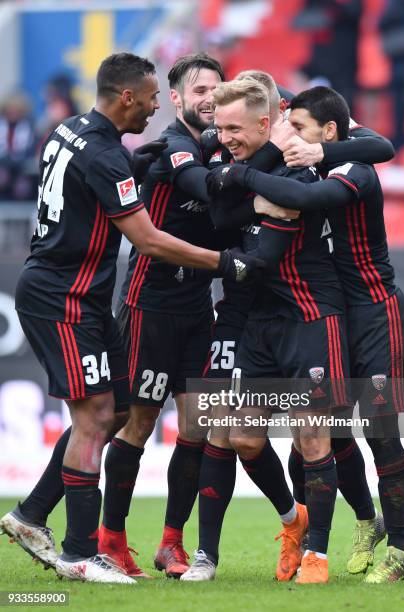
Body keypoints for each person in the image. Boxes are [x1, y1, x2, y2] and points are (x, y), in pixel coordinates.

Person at [0, 52, 263, 584]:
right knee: (100, 418)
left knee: (115, 410)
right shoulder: (105, 155)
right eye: (148, 100)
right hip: (65, 295)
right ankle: (81, 553)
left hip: (86, 295)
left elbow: (94, 186)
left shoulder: (68, 130)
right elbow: (145, 239)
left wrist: (142, 165)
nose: (152, 111)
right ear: (127, 97)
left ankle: (31, 515)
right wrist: (223, 263)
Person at [185, 72, 394, 583]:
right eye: (220, 127)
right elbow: (217, 204)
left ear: (269, 122)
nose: (223, 136)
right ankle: (292, 518)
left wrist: (241, 192)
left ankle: (317, 554)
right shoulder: (232, 150)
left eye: (234, 127)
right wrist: (234, 179)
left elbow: (376, 146)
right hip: (256, 320)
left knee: (316, 435)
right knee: (243, 437)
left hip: (310, 314)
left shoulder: (302, 158)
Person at [99, 52, 227, 579]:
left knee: (197, 427)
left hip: (199, 309)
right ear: (174, 99)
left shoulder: (222, 149)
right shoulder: (167, 150)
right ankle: (110, 539)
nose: (210, 99)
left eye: (217, 90)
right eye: (199, 91)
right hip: (150, 306)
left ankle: (171, 542)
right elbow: (195, 189)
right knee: (138, 422)